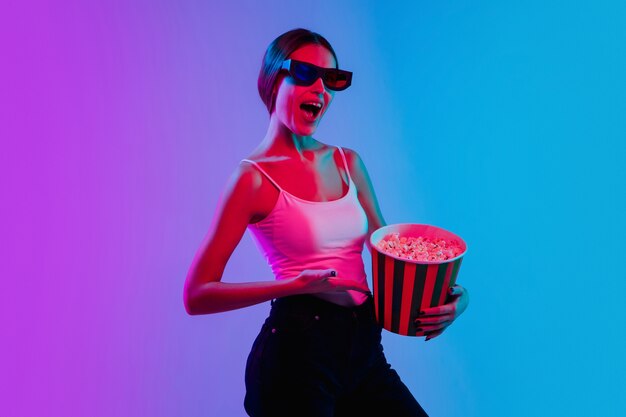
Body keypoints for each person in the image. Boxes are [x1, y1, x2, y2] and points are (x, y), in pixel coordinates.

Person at [183, 28, 469, 417]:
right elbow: (197, 293)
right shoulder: (251, 179)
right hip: (297, 357)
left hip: (364, 351)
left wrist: (453, 298)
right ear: (272, 80)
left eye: (332, 79)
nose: (320, 88)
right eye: (304, 73)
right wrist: (294, 285)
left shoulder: (348, 163)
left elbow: (391, 258)